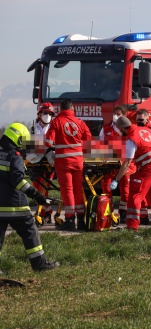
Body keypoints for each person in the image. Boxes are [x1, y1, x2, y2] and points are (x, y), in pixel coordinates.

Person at [0, 123, 59, 272]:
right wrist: (37, 196)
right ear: (19, 140)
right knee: (29, 231)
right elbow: (18, 181)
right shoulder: (15, 157)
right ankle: (39, 264)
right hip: (15, 206)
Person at [110, 117, 151, 232]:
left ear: (123, 128)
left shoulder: (131, 139)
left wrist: (116, 179)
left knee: (135, 195)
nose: (118, 131)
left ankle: (132, 227)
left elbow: (127, 163)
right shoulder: (145, 130)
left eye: (118, 129)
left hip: (148, 168)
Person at [45, 98, 92, 231]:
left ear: (61, 109)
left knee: (67, 190)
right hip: (78, 162)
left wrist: (51, 153)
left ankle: (70, 220)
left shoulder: (56, 122)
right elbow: (88, 140)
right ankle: (81, 220)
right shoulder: (80, 122)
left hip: (63, 162)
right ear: (72, 109)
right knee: (78, 189)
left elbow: (48, 142)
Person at [100, 106, 134, 224]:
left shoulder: (128, 130)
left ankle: (123, 212)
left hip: (124, 164)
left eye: (118, 114)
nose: (116, 116)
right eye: (114, 113)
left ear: (124, 115)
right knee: (107, 187)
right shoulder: (105, 129)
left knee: (125, 190)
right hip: (110, 163)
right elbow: (100, 144)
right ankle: (108, 212)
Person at [26, 102, 56, 223]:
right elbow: (28, 144)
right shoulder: (33, 128)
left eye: (49, 113)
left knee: (44, 188)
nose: (47, 115)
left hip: (49, 163)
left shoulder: (54, 127)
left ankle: (44, 214)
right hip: (35, 162)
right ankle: (47, 211)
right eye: (45, 113)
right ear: (39, 114)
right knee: (36, 188)